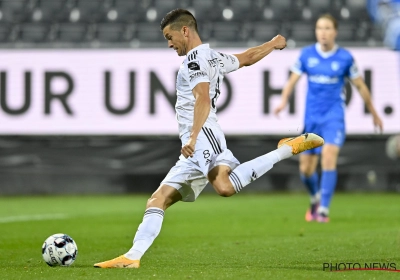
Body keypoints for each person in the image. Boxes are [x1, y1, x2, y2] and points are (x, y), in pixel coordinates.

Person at [94, 9, 324, 268]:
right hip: (193, 142)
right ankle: (132, 257)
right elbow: (246, 58)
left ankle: (285, 149)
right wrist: (272, 44)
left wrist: (192, 138)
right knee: (158, 199)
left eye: (170, 37)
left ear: (184, 31)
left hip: (202, 135)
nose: (169, 44)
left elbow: (202, 98)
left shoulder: (194, 60)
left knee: (224, 187)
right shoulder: (212, 56)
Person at [274, 14, 383, 223]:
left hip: (334, 117)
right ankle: (315, 198)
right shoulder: (307, 55)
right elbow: (291, 81)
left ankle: (323, 210)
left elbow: (360, 85)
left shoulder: (345, 58)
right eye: (319, 28)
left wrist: (374, 112)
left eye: (327, 28)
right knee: (305, 169)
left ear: (335, 32)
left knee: (329, 157)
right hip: (312, 119)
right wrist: (283, 101)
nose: (323, 32)